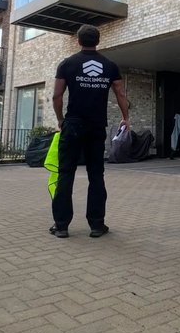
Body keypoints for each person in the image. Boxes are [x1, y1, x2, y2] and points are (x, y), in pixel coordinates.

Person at [49, 24, 129, 239]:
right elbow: (120, 93)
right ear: (98, 41)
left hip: (72, 125)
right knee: (96, 175)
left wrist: (60, 120)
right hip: (96, 127)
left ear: (78, 41)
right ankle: (96, 225)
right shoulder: (109, 65)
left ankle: (62, 225)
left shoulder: (67, 64)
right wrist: (126, 118)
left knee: (66, 173)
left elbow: (57, 96)